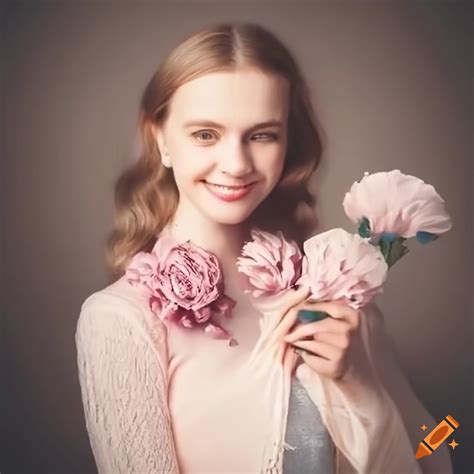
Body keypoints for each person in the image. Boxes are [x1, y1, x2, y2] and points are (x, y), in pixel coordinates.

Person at [75, 22, 453, 474]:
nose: (236, 165)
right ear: (160, 138)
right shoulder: (121, 320)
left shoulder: (334, 290)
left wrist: (358, 385)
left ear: (288, 141)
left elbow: (439, 448)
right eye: (205, 134)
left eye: (262, 135)